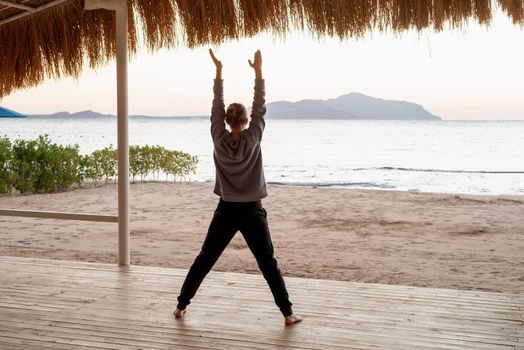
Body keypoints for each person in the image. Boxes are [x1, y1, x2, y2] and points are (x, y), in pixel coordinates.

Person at [174, 49, 302, 326]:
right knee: (268, 262)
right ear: (245, 122)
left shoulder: (217, 137)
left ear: (226, 120)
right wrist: (257, 72)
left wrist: (219, 72)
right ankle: (288, 314)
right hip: (252, 210)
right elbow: (260, 105)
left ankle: (181, 306)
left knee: (205, 258)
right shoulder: (253, 136)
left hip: (226, 209)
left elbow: (216, 106)